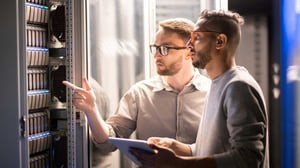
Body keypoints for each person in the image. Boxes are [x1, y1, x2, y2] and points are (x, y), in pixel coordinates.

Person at [62, 18, 211, 167]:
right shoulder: (140, 93)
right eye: (155, 47)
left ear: (189, 51)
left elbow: (226, 149)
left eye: (165, 48)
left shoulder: (212, 93)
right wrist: (91, 110)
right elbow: (107, 144)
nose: (156, 55)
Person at [131, 9, 269, 168]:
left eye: (196, 37)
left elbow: (248, 158)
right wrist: (177, 147)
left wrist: (177, 163)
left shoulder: (238, 87)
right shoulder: (218, 84)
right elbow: (214, 148)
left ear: (220, 41)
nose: (189, 45)